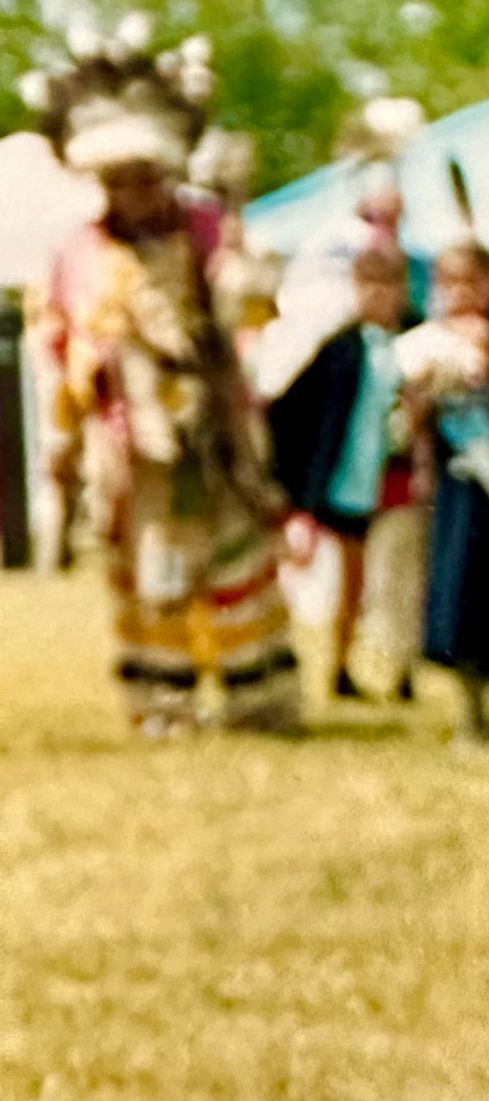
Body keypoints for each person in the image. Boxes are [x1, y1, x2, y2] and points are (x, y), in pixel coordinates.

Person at [30, 29, 299, 737]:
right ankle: (163, 703)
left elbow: (252, 314)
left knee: (238, 551)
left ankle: (256, 694)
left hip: (218, 426)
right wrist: (71, 422)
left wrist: (238, 285)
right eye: (118, 181)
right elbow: (57, 345)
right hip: (133, 441)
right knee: (155, 566)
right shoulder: (78, 253)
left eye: (145, 176)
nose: (135, 194)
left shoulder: (209, 228)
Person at [401, 243, 489, 739]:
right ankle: (470, 707)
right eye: (449, 281)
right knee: (455, 589)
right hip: (451, 483)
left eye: (469, 281)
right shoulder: (423, 341)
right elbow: (411, 422)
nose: (459, 292)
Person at [266, 247, 411, 697]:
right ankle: (322, 662)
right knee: (332, 581)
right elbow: (299, 412)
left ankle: (374, 667)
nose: (380, 295)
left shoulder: (409, 341)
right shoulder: (341, 348)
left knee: (383, 582)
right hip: (340, 482)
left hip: (386, 480)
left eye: (389, 285)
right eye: (370, 285)